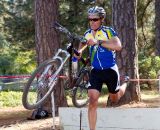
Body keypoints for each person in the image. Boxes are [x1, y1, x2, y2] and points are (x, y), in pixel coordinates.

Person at [75, 6, 128, 130]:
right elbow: (81, 47)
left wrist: (98, 42)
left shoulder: (108, 31)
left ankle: (125, 83)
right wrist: (78, 53)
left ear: (101, 19)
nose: (92, 22)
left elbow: (118, 46)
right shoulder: (87, 34)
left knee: (114, 98)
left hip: (110, 70)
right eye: (90, 19)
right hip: (96, 71)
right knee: (93, 101)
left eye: (95, 19)